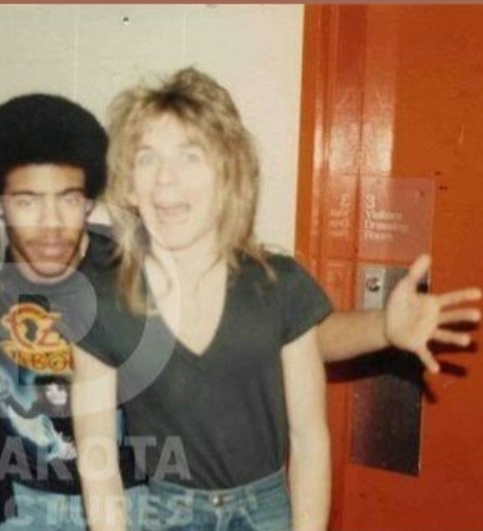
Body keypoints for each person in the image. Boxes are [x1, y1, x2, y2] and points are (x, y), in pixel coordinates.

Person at [71, 67, 481, 531]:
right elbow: (98, 463)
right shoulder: (102, 303)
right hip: (166, 513)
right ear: (128, 185)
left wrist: (384, 324)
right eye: (146, 159)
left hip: (265, 511)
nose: (165, 179)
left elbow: (309, 440)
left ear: (228, 174)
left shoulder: (279, 286)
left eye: (190, 156)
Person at [0, 94, 145, 531]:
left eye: (68, 199)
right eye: (27, 201)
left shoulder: (128, 278)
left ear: (88, 202)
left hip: (130, 504)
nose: (51, 223)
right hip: (20, 506)